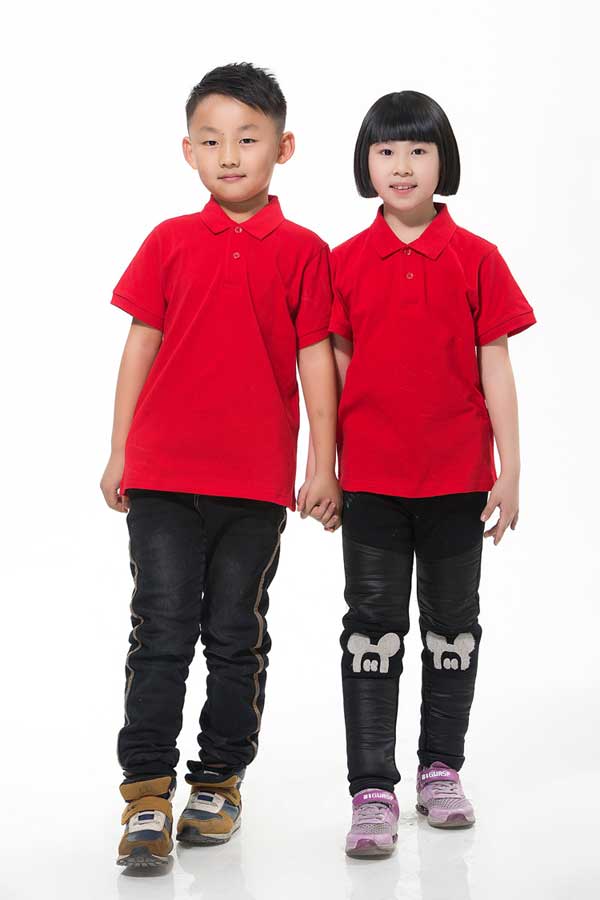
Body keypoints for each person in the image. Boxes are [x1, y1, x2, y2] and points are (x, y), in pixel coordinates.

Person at [100, 62, 341, 869]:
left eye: (247, 139)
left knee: (236, 635)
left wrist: (323, 465)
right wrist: (120, 448)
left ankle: (218, 781)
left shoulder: (305, 252)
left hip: (254, 482)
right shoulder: (168, 241)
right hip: (162, 475)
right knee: (161, 629)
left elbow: (316, 361)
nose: (229, 156)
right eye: (210, 141)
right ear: (188, 151)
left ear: (284, 147)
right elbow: (140, 345)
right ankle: (146, 794)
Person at [316, 90, 536, 857]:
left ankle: (442, 770)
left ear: (444, 161)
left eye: (418, 150)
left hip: (457, 482)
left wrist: (510, 469)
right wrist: (327, 468)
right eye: (386, 151)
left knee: (452, 631)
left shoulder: (478, 258)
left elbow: (495, 365)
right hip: (372, 485)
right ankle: (371, 789)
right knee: (371, 633)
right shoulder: (343, 262)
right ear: (366, 163)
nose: (402, 166)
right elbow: (333, 374)